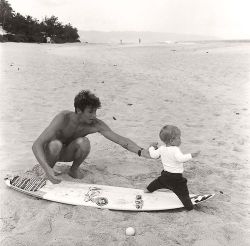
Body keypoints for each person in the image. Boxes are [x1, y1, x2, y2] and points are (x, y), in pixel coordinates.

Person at [32, 90, 150, 184]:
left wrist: (141, 151)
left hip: (68, 153)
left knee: (84, 142)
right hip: (51, 154)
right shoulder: (63, 118)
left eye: (95, 112)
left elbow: (120, 140)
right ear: (78, 110)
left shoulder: (95, 124)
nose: (94, 116)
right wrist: (46, 168)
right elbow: (37, 144)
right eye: (90, 112)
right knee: (55, 144)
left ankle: (73, 170)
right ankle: (48, 170)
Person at [144, 125, 200, 210]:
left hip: (165, 176)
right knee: (183, 193)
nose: (180, 140)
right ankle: (189, 207)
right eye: (179, 138)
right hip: (176, 178)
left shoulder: (162, 148)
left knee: (157, 183)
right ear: (172, 140)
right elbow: (181, 159)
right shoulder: (175, 150)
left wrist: (151, 147)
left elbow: (153, 155)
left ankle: (148, 190)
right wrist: (191, 155)